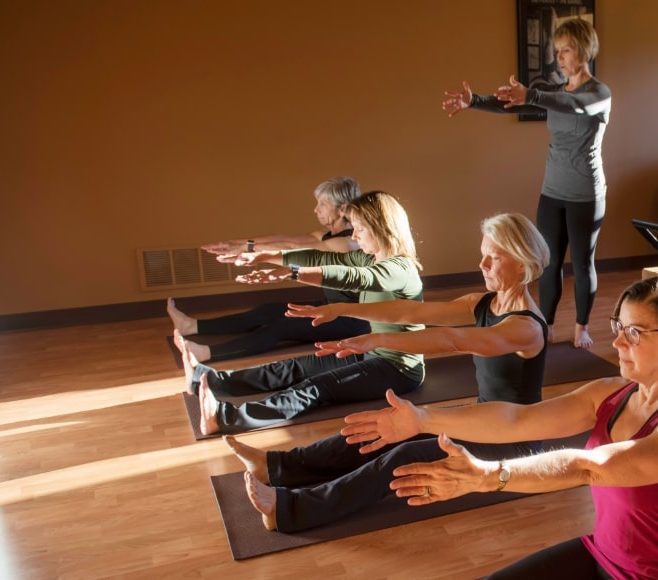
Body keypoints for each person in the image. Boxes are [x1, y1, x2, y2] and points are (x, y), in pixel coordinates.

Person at [342, 275, 658, 579]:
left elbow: (589, 467)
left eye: (635, 332)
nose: (619, 341)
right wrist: (424, 419)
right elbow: (518, 419)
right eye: (618, 325)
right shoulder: (613, 394)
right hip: (603, 557)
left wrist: (488, 476)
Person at [224, 213, 551, 533]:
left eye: (493, 258)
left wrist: (378, 339)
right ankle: (276, 467)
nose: (482, 266)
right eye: (483, 256)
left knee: (403, 453)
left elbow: (454, 340)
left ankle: (289, 509)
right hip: (479, 420)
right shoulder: (484, 303)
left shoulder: (526, 328)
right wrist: (343, 308)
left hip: (512, 440)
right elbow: (409, 309)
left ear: (522, 264)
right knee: (383, 427)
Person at [180, 191, 425, 436]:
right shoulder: (367, 257)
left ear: (381, 227)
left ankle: (225, 418)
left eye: (360, 228)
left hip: (396, 369)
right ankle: (211, 380)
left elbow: (356, 278)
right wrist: (267, 256)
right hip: (368, 350)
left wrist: (294, 273)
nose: (354, 234)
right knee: (294, 367)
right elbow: (320, 257)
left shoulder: (400, 268)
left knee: (316, 387)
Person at [443, 17, 611, 350]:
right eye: (557, 51)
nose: (560, 57)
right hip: (552, 191)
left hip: (585, 194)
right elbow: (513, 103)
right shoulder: (553, 93)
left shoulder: (599, 94)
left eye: (566, 50)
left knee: (582, 262)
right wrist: (475, 101)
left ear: (584, 51)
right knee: (548, 263)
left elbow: (574, 106)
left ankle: (581, 327)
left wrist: (532, 95)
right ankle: (546, 325)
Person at [168, 177, 369, 363]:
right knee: (267, 311)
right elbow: (285, 239)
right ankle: (192, 326)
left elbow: (293, 249)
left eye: (323, 204)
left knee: (280, 326)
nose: (316, 210)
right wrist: (238, 244)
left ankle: (204, 353)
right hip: (330, 306)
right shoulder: (325, 235)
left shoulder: (348, 243)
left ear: (342, 209)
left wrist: (250, 250)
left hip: (350, 319)